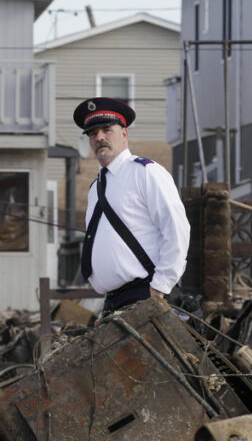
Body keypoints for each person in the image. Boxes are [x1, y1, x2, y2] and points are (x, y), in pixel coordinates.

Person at [74, 97, 190, 314]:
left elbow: (176, 229)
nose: (99, 137)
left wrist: (160, 286)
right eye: (92, 133)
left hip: (146, 295)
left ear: (124, 133)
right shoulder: (95, 189)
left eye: (107, 130)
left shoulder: (146, 172)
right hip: (112, 301)